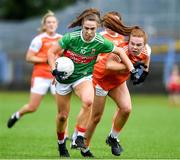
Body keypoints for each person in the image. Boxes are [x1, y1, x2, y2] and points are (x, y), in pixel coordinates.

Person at [47, 8, 139, 158]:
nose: (89, 32)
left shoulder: (100, 41)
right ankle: (61, 144)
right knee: (63, 116)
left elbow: (120, 52)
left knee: (89, 101)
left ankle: (79, 136)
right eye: (86, 28)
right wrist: (53, 70)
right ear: (82, 26)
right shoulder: (71, 38)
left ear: (97, 28)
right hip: (63, 79)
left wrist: (132, 70)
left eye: (93, 29)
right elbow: (51, 52)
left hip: (82, 78)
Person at [76, 13, 151, 158]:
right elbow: (109, 66)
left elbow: (145, 65)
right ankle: (85, 147)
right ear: (128, 42)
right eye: (133, 44)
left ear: (144, 45)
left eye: (138, 45)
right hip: (101, 80)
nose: (135, 47)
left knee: (126, 109)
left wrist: (143, 75)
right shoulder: (121, 48)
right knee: (96, 117)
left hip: (118, 82)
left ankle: (112, 137)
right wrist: (129, 67)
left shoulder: (146, 51)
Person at [6, 11, 67, 132]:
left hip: (56, 77)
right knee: (32, 107)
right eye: (48, 22)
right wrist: (47, 59)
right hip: (41, 76)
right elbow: (29, 57)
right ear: (44, 25)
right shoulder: (39, 39)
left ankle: (66, 135)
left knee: (63, 110)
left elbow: (65, 56)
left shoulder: (61, 38)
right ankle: (17, 115)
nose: (51, 24)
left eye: (53, 22)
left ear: (57, 24)